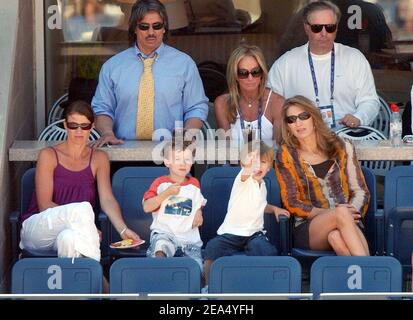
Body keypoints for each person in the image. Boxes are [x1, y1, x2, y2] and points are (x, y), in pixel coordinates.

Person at [20, 101, 141, 261]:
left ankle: (78, 284)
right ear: (65, 125)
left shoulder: (99, 158)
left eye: (84, 126)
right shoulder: (48, 155)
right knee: (82, 209)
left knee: (69, 239)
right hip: (38, 229)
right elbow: (44, 205)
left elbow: (107, 199)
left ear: (91, 127)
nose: (79, 131)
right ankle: (102, 281)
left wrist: (124, 230)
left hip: (73, 232)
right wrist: (87, 227)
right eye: (73, 125)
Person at [91, 0, 208, 147]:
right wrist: (108, 133)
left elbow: (196, 107)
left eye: (157, 26)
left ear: (164, 28)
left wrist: (185, 137)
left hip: (173, 153)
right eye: (144, 27)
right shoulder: (112, 67)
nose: (151, 32)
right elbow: (102, 108)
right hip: (122, 150)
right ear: (134, 29)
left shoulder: (184, 64)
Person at [274, 95, 370, 256]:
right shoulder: (286, 154)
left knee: (336, 237)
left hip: (349, 221)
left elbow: (360, 190)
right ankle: (371, 270)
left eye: (303, 116)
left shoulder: (342, 146)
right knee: (340, 214)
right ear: (287, 126)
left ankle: (361, 278)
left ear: (314, 117)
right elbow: (291, 202)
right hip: (310, 227)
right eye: (291, 119)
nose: (298, 123)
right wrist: (333, 214)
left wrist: (351, 212)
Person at [268, 1, 379, 130]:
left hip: (348, 134)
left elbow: (370, 100)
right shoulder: (286, 63)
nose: (324, 33)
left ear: (336, 28)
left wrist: (358, 117)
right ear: (306, 28)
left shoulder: (354, 58)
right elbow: (270, 104)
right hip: (302, 139)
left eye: (330, 27)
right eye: (317, 28)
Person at [203, 139, 290, 284]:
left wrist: (274, 209)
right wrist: (247, 166)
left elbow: (261, 205)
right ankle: (207, 284)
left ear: (269, 167)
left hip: (254, 234)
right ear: (244, 164)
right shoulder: (242, 180)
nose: (257, 166)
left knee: (265, 250)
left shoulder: (262, 185)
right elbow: (246, 173)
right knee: (212, 248)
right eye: (252, 162)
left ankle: (269, 284)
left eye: (262, 162)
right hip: (231, 233)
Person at [142, 132, 206, 270]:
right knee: (161, 249)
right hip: (165, 234)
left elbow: (198, 203)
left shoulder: (194, 184)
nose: (183, 164)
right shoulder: (160, 184)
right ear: (167, 161)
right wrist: (166, 193)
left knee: (197, 270)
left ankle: (201, 289)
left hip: (189, 239)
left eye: (187, 159)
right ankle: (159, 278)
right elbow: (147, 207)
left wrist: (199, 213)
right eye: (177, 159)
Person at [214, 44, 284, 146]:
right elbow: (227, 149)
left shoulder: (277, 102)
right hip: (234, 161)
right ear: (235, 76)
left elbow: (277, 149)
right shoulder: (222, 104)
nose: (250, 78)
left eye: (255, 72)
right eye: (243, 73)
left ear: (262, 73)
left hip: (269, 161)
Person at [277, 0, 394, 57]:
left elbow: (284, 50)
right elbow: (387, 45)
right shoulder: (371, 11)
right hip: (372, 79)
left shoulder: (306, 14)